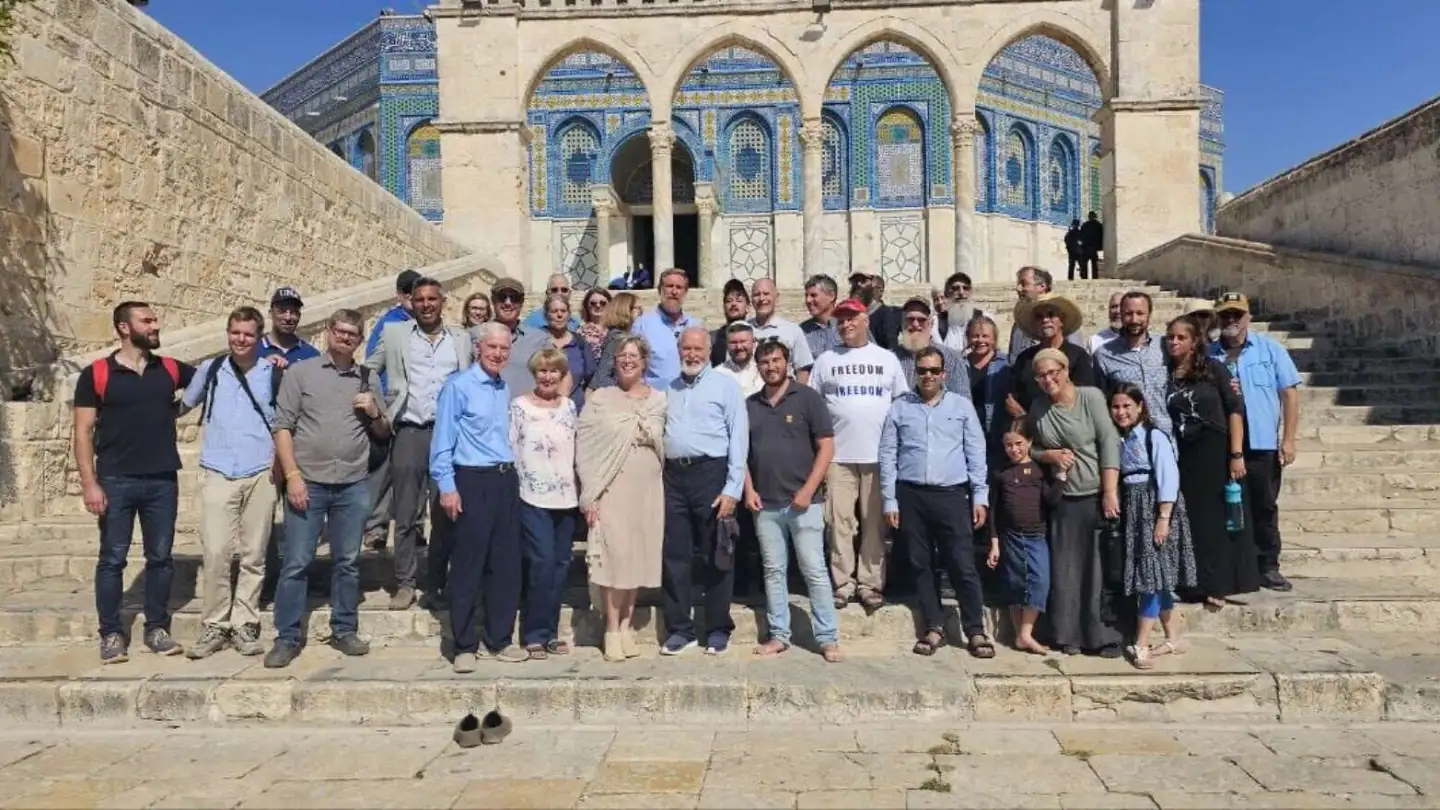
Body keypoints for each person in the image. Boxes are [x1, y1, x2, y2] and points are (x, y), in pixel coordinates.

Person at [74, 301, 198, 663]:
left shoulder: (170, 369)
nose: (155, 325)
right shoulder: (97, 374)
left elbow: (214, 378)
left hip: (162, 480)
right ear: (124, 328)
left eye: (155, 319)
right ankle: (111, 633)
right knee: (112, 559)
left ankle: (157, 628)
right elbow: (82, 432)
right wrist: (89, 483)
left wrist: (270, 361)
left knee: (160, 558)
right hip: (115, 480)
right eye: (147, 321)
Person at [266, 309, 387, 668]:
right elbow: (283, 427)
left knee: (347, 562)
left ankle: (344, 628)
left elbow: (384, 432)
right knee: (297, 562)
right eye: (340, 330)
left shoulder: (367, 377)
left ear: (360, 340)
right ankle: (287, 637)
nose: (345, 337)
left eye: (353, 334)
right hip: (309, 482)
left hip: (352, 483)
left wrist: (375, 412)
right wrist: (292, 476)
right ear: (328, 332)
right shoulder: (301, 372)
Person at [365, 277, 472, 610]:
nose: (426, 305)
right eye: (420, 299)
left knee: (444, 513)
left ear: (443, 302)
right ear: (411, 302)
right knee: (406, 513)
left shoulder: (461, 339)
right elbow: (369, 369)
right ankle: (405, 583)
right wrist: (380, 406)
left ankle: (437, 583)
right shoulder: (396, 334)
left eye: (432, 299)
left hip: (448, 435)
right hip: (409, 431)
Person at [879, 347, 993, 658]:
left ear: (944, 373)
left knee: (962, 563)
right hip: (911, 494)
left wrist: (980, 495)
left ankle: (975, 630)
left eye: (933, 370)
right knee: (921, 564)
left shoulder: (961, 406)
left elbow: (976, 452)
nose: (927, 376)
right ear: (915, 373)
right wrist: (889, 500)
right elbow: (888, 455)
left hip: (952, 494)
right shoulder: (900, 408)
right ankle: (934, 626)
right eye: (922, 370)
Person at [181, 307, 281, 659]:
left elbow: (285, 422)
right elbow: (182, 405)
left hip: (261, 471)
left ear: (260, 337)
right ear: (227, 333)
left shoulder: (273, 373)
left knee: (254, 553)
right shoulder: (210, 370)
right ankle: (214, 623)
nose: (241, 339)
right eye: (235, 332)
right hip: (219, 469)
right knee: (216, 551)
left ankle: (244, 623)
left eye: (248, 334)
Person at [431, 323, 529, 671]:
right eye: (492, 347)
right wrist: (447, 487)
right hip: (471, 480)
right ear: (478, 348)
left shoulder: (504, 388)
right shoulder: (458, 387)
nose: (498, 354)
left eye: (504, 348)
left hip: (504, 480)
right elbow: (442, 441)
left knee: (505, 565)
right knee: (468, 565)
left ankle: (499, 639)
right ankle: (464, 645)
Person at [808, 298, 910, 611]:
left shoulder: (887, 359)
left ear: (865, 320)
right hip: (838, 457)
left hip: (878, 456)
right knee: (839, 523)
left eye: (852, 318)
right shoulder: (826, 360)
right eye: (840, 320)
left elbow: (901, 404)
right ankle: (843, 584)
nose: (846, 324)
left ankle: (870, 583)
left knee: (874, 524)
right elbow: (813, 405)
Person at [744, 340, 842, 663]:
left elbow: (826, 446)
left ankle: (827, 638)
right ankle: (778, 635)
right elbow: (741, 453)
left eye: (776, 360)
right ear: (757, 366)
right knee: (773, 571)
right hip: (766, 504)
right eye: (764, 362)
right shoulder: (750, 405)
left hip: (805, 503)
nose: (771, 367)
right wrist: (749, 490)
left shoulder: (808, 398)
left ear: (787, 363)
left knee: (814, 570)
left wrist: (808, 490)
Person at [1028, 348, 1126, 657]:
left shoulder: (1090, 398)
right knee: (1066, 571)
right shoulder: (1039, 408)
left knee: (1096, 571)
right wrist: (1049, 455)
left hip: (1094, 493)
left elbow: (1108, 441)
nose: (1048, 379)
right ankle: (1067, 635)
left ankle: (1100, 636)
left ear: (1065, 370)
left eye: (1053, 372)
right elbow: (1030, 448)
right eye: (1041, 375)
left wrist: (1109, 491)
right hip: (1063, 498)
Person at [577, 336, 667, 662]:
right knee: (614, 557)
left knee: (637, 557)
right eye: (622, 356)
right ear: (614, 362)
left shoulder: (658, 399)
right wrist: (591, 494)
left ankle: (628, 624)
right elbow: (586, 446)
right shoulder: (600, 398)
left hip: (646, 490)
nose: (628, 360)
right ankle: (611, 629)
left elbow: (658, 435)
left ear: (644, 362)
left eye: (634, 355)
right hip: (611, 487)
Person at [660, 327, 748, 656]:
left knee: (717, 554)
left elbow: (739, 437)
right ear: (679, 351)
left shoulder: (726, 386)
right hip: (674, 477)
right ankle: (679, 629)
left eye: (698, 349)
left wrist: (733, 489)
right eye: (687, 348)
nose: (692, 354)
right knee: (675, 555)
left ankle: (717, 628)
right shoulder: (669, 388)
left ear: (709, 352)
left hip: (712, 474)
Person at [1165, 315, 1259, 611]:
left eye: (1181, 337)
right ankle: (1193, 583)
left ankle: (1219, 584)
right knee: (1191, 519)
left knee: (1217, 519)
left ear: (1195, 342)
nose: (1174, 342)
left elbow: (1235, 409)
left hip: (1215, 450)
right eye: (1170, 337)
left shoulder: (1214, 369)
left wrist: (1236, 454)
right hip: (1184, 454)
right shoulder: (1166, 373)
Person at [1210, 292, 1302, 592]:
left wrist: (1288, 439)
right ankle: (1237, 566)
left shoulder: (1269, 349)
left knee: (1264, 505)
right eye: (1226, 315)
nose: (1231, 320)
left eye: (1237, 315)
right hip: (1223, 444)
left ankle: (1268, 565)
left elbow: (1289, 394)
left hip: (1262, 443)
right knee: (1228, 506)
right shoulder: (1209, 355)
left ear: (1248, 317)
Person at [1110, 384, 1196, 670]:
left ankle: (1142, 641)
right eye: (1116, 407)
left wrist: (1163, 518)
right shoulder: (1122, 439)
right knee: (1155, 575)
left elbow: (1168, 476)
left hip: (1154, 508)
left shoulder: (1153, 436)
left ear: (1140, 407)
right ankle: (1173, 637)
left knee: (1150, 577)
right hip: (1134, 509)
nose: (1121, 412)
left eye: (1127, 406)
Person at [510, 347, 580, 660]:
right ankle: (535, 632)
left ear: (562, 375)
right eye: (543, 370)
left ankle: (551, 632)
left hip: (565, 497)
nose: (548, 376)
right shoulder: (520, 406)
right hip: (532, 495)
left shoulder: (569, 407)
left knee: (560, 565)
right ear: (534, 373)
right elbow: (512, 448)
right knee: (541, 562)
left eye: (554, 371)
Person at [361, 269, 421, 550]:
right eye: (408, 292)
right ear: (400, 294)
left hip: (416, 407)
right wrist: (378, 401)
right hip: (389, 405)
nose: (412, 297)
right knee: (383, 469)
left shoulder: (424, 323)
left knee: (415, 470)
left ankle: (415, 525)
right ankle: (376, 527)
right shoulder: (389, 323)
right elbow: (372, 364)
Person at [992, 416, 1062, 655]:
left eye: (1019, 443)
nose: (1014, 449)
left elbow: (1051, 499)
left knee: (1040, 581)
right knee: (1015, 583)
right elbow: (994, 511)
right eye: (1009, 445)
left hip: (1035, 536)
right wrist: (994, 543)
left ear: (1030, 441)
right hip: (1011, 536)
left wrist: (1061, 476)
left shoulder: (1038, 471)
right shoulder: (1002, 473)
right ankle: (1019, 635)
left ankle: (1026, 632)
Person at [1093, 291, 1172, 435]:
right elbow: (1102, 402)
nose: (1134, 319)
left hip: (1167, 433)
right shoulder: (1104, 355)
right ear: (1121, 315)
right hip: (1128, 437)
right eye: (1128, 314)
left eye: (1140, 313)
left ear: (1149, 315)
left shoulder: (1164, 346)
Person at [1008, 292, 1096, 416]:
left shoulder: (1078, 356)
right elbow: (1013, 397)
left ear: (1062, 320)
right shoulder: (1024, 358)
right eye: (1039, 316)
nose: (1045, 320)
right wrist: (1024, 418)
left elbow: (1085, 398)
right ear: (1034, 323)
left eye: (1051, 315)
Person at [634, 268, 703, 387]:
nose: (674, 292)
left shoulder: (696, 326)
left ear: (685, 292)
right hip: (656, 396)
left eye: (679, 287)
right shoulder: (642, 326)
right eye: (669, 286)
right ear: (659, 290)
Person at [966, 315, 1012, 472]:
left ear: (994, 339)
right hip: (969, 433)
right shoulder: (961, 364)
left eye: (985, 336)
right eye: (975, 336)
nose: (980, 340)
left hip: (996, 433)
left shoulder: (1007, 364)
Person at [894, 297, 968, 395]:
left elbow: (962, 399)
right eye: (910, 319)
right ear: (902, 323)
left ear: (931, 324)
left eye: (922, 320)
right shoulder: (890, 358)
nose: (915, 324)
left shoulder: (952, 358)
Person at [1007, 267, 1085, 356]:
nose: (1019, 289)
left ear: (1042, 286)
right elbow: (1014, 358)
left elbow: (1076, 356)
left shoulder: (1063, 319)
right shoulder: (1019, 325)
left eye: (1024, 284)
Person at [748, 278, 815, 382]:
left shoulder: (792, 330)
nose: (761, 298)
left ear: (776, 297)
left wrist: (798, 392)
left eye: (766, 294)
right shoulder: (743, 330)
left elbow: (802, 370)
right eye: (757, 294)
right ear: (751, 299)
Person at [538, 293, 596, 410]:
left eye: (563, 311)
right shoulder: (537, 339)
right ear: (546, 315)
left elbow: (592, 376)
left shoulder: (579, 342)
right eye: (554, 311)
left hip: (575, 410)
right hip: (542, 410)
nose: (559, 315)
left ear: (569, 314)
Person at [590, 292, 641, 391]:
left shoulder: (623, 334)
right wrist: (626, 386)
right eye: (637, 308)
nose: (640, 312)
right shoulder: (617, 337)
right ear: (625, 310)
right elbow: (601, 377)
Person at [260, 287, 321, 364]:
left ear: (299, 316)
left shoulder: (311, 355)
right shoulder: (253, 350)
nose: (287, 317)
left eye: (293, 312)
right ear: (270, 314)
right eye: (281, 311)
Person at [932, 272, 984, 353]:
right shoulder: (936, 323)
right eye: (955, 288)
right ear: (947, 294)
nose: (961, 293)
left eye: (965, 288)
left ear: (971, 292)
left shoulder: (984, 318)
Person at [848, 272, 901, 351]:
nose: (858, 285)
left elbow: (892, 351)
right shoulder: (847, 317)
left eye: (863, 281)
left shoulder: (887, 315)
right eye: (855, 282)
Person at [711, 279, 751, 367]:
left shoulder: (756, 336)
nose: (733, 304)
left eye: (739, 301)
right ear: (724, 307)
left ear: (748, 307)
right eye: (729, 301)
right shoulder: (713, 339)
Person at [716, 322, 763, 397]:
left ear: (753, 343)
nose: (739, 347)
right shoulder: (718, 374)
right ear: (727, 345)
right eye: (733, 343)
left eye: (743, 341)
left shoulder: (764, 371)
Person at [800, 274, 841, 359]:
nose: (808, 300)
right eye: (806, 295)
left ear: (831, 296)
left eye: (813, 295)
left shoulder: (849, 326)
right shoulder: (801, 332)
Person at [577, 288, 612, 362]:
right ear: (586, 306)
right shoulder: (580, 331)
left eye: (603, 303)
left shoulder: (615, 329)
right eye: (593, 303)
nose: (598, 305)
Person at [1079, 211, 1104, 279]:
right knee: (1094, 264)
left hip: (1086, 247)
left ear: (1089, 217)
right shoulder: (1099, 225)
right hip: (1094, 247)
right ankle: (1095, 277)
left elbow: (1081, 236)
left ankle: (1084, 277)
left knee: (1084, 263)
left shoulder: (1085, 225)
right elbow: (1102, 236)